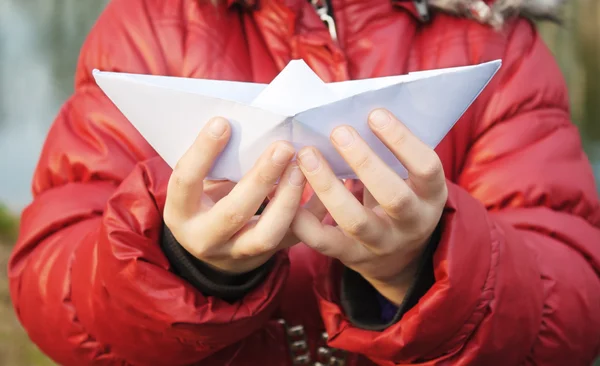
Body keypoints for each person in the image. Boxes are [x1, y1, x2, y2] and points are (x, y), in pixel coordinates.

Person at [8, 0, 600, 364]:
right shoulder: (149, 25)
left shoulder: (495, 39)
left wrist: (427, 265)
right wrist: (183, 263)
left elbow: (574, 305)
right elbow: (51, 284)